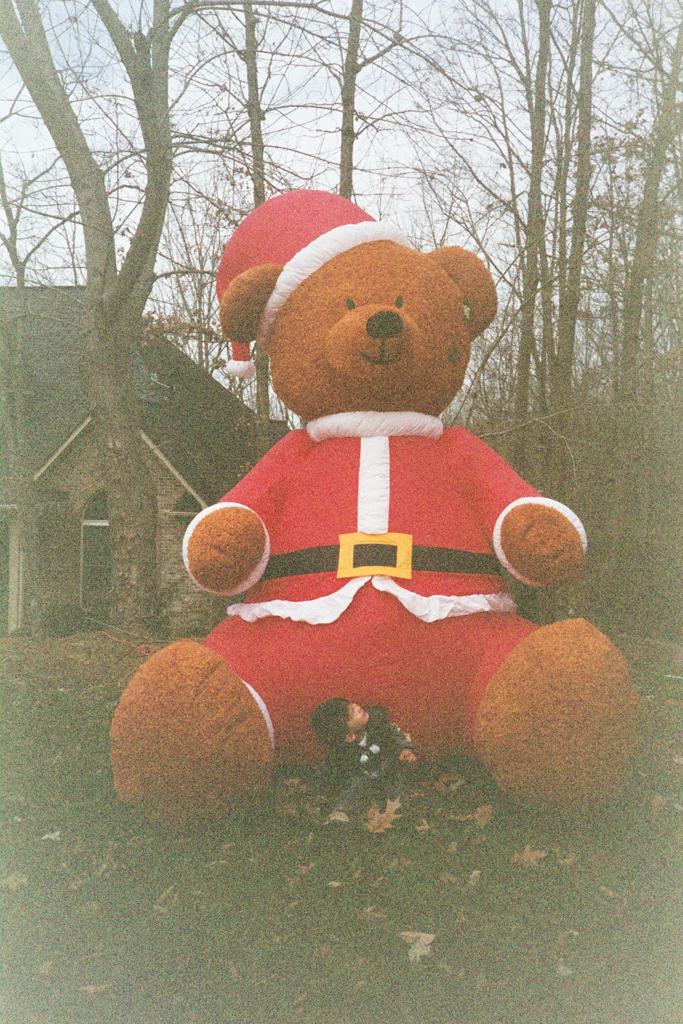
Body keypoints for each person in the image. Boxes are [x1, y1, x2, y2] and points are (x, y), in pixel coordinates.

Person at [310, 698, 417, 824]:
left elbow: (397, 735)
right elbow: (328, 769)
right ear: (350, 737)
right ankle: (341, 814)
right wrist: (320, 791)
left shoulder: (379, 725)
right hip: (365, 779)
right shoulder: (341, 752)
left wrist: (405, 749)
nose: (357, 707)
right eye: (352, 712)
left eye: (352, 705)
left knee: (399, 787)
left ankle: (406, 813)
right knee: (354, 789)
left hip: (389, 770)